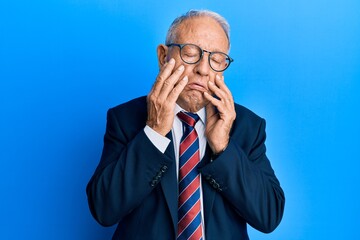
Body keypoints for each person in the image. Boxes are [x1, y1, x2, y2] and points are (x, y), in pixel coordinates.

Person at [86, 9, 285, 240]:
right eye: (191, 53)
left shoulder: (247, 126)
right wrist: (153, 132)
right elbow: (103, 209)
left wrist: (223, 147)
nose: (203, 69)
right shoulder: (126, 119)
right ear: (163, 56)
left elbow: (269, 215)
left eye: (217, 59)